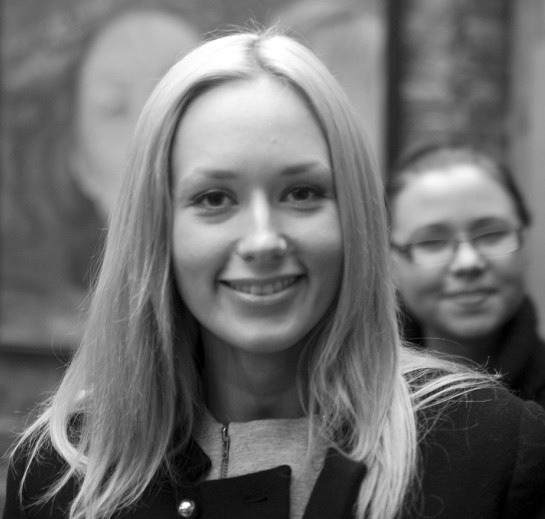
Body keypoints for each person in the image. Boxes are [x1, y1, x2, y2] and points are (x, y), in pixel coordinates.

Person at [3, 29, 545, 519]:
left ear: (354, 217)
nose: (263, 240)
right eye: (215, 198)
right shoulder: (62, 471)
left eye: (301, 193)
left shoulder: (487, 449)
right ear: (158, 229)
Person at [387, 142, 545, 407]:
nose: (467, 262)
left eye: (492, 234)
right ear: (391, 261)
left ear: (525, 238)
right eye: (432, 241)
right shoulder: (353, 400)